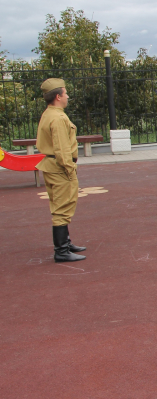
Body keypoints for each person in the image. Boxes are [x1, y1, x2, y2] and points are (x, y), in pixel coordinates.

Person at [36, 78, 87, 262]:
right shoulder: (57, 117)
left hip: (51, 166)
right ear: (58, 96)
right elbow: (62, 148)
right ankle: (61, 251)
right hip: (59, 167)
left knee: (60, 204)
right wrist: (69, 168)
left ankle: (65, 242)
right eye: (65, 93)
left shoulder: (49, 113)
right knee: (62, 207)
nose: (67, 97)